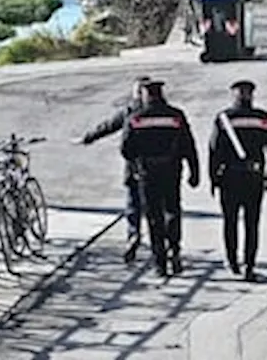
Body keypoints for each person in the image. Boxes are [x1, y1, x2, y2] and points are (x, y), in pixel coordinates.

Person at [120, 80, 200, 277]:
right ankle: (175, 249)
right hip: (172, 170)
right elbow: (188, 144)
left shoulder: (136, 118)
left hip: (147, 173)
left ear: (146, 95)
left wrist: (136, 163)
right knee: (172, 210)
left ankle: (160, 262)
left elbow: (126, 149)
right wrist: (194, 171)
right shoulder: (176, 115)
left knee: (154, 217)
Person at [209, 80, 267, 282]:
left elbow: (214, 151)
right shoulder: (262, 118)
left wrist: (213, 178)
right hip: (254, 177)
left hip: (230, 177)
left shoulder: (224, 118)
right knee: (252, 223)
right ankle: (249, 265)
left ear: (234, 95)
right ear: (251, 95)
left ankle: (232, 261)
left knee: (230, 221)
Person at [74, 76, 151, 263]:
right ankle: (164, 242)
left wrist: (87, 138)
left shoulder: (129, 112)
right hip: (160, 168)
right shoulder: (161, 111)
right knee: (157, 206)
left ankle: (133, 235)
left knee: (133, 205)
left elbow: (108, 126)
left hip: (134, 166)